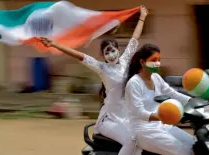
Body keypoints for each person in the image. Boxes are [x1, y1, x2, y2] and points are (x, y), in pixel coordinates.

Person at [40, 6, 148, 155]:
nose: (111, 54)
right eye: (106, 52)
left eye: (112, 50)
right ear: (103, 56)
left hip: (126, 119)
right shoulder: (102, 68)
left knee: (146, 140)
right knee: (132, 141)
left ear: (118, 50)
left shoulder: (125, 61)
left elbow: (134, 39)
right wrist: (54, 44)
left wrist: (142, 16)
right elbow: (79, 56)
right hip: (109, 121)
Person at [123, 44, 197, 155]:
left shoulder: (156, 77)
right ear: (142, 62)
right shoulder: (134, 83)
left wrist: (193, 101)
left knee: (194, 145)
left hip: (162, 126)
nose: (157, 63)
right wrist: (162, 117)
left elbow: (172, 93)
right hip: (143, 130)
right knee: (183, 151)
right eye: (153, 60)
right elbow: (139, 112)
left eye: (159, 60)